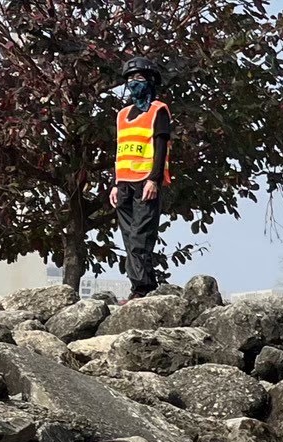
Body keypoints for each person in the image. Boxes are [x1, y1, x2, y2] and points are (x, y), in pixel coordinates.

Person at [110, 56, 172, 300]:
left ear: (150, 81)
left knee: (140, 237)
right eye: (130, 78)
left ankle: (142, 288)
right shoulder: (122, 115)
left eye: (139, 77)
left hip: (146, 182)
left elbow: (161, 147)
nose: (134, 82)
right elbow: (119, 150)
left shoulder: (158, 111)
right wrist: (115, 184)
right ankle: (144, 285)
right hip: (124, 184)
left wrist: (154, 179)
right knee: (129, 239)